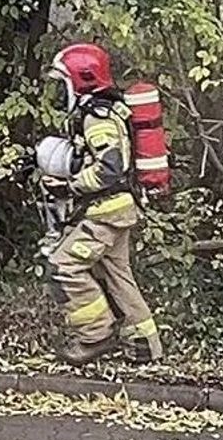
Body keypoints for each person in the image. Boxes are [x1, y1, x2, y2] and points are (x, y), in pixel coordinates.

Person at [40, 41, 162, 365]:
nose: (59, 90)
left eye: (63, 82)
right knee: (118, 275)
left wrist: (69, 186)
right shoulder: (106, 110)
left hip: (105, 212)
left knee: (62, 267)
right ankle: (145, 345)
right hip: (118, 209)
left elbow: (109, 170)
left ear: (81, 79)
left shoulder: (98, 118)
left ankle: (96, 337)